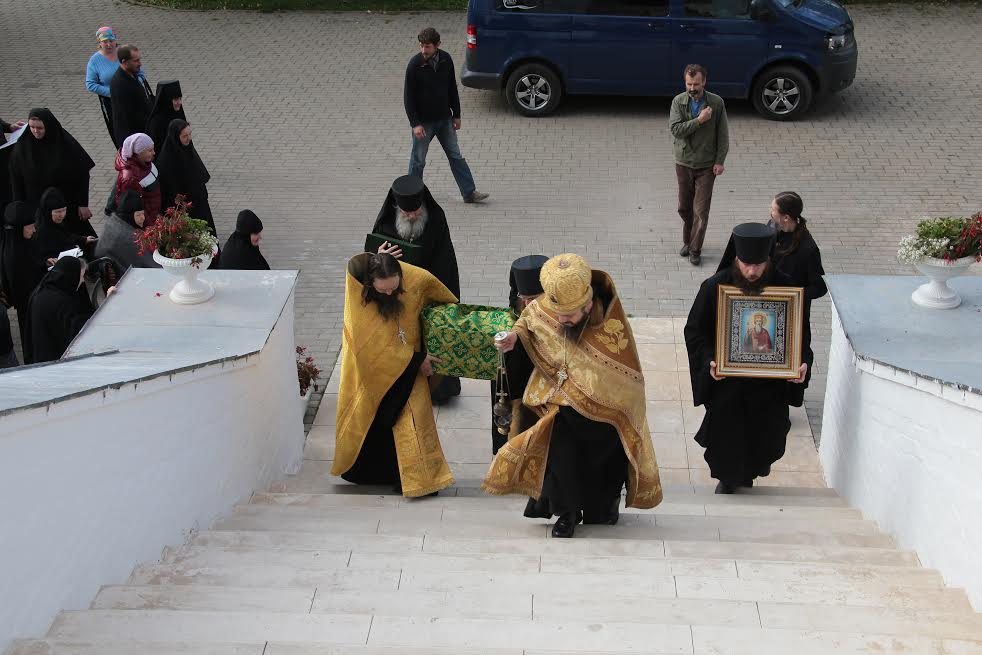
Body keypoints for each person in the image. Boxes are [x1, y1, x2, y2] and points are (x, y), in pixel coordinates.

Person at [487, 254, 663, 538]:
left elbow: (626, 374)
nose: (561, 321)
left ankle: (602, 505)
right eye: (558, 315)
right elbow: (528, 321)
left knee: (607, 456)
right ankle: (567, 513)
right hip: (558, 404)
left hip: (603, 411)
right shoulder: (550, 305)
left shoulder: (609, 321)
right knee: (559, 451)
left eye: (568, 317)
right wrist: (514, 337)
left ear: (587, 305)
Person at [684, 223, 812, 495]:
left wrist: (802, 363)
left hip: (770, 386)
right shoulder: (715, 287)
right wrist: (710, 361)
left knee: (765, 440)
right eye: (746, 265)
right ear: (736, 259)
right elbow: (695, 331)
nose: (752, 271)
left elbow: (801, 336)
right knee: (727, 439)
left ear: (768, 260)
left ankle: (747, 474)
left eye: (759, 265)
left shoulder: (788, 289)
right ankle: (728, 480)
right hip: (730, 385)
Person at [332, 252, 458, 497]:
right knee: (376, 419)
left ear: (401, 276)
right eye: (383, 291)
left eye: (394, 288)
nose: (390, 294)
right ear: (370, 283)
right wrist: (415, 359)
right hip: (374, 370)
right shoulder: (359, 295)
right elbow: (368, 345)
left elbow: (448, 307)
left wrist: (437, 342)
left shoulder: (418, 279)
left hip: (411, 366)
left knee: (414, 419)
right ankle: (376, 473)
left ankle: (420, 480)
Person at [716, 191, 826, 404]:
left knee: (788, 353)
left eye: (773, 209)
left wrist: (792, 295)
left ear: (786, 217)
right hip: (762, 305)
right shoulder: (771, 232)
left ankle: (782, 399)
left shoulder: (807, 249)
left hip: (791, 311)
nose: (769, 212)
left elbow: (819, 286)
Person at [374, 175, 461, 403]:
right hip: (397, 296)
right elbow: (372, 262)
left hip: (428, 293)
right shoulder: (386, 221)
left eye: (416, 211)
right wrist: (380, 258)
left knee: (432, 338)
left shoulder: (436, 219)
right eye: (406, 212)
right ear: (396, 207)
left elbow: (445, 260)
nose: (412, 216)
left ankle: (438, 390)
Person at [405, 27, 488, 204]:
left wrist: (456, 115)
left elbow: (452, 88)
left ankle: (469, 192)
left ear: (437, 45)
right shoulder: (414, 65)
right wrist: (415, 124)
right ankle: (412, 198)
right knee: (418, 160)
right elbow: (408, 98)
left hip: (444, 120)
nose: (423, 50)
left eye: (427, 46)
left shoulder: (446, 60)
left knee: (456, 156)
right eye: (421, 46)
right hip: (424, 123)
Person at [670, 64, 729, 267]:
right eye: (689, 84)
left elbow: (723, 135)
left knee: (701, 210)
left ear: (704, 81)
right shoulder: (678, 102)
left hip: (706, 165)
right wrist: (699, 120)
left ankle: (695, 249)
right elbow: (676, 130)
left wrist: (720, 161)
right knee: (684, 207)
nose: (692, 88)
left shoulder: (716, 103)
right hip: (684, 163)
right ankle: (687, 241)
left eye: (696, 84)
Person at [490, 254, 548, 454]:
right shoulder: (516, 313)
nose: (528, 304)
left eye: (534, 298)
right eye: (524, 299)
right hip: (520, 385)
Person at [8, 109, 97, 238]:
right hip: (36, 206)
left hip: (65, 205)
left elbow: (82, 174)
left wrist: (83, 204)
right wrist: (19, 211)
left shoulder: (64, 143)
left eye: (40, 128)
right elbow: (16, 180)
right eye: (32, 127)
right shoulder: (22, 147)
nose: (35, 131)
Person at [85, 27, 148, 147]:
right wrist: (113, 92)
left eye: (111, 40)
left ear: (115, 40)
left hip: (133, 97)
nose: (109, 44)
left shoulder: (124, 53)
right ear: (99, 43)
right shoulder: (94, 61)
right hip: (112, 102)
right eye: (105, 42)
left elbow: (140, 73)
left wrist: (135, 85)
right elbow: (90, 84)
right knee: (121, 131)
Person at [0, 202, 46, 364]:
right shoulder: (14, 257)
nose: (34, 230)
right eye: (30, 227)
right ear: (19, 229)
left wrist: (45, 262)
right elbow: (22, 284)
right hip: (28, 304)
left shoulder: (18, 241)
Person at [28, 256, 95, 364]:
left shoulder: (42, 290)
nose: (82, 281)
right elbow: (77, 331)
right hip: (55, 358)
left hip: (41, 352)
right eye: (81, 276)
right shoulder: (62, 302)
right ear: (71, 276)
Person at [156, 119, 215, 236]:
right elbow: (169, 188)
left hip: (198, 202)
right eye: (185, 136)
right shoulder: (167, 160)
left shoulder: (188, 149)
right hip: (183, 207)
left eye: (189, 134)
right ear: (175, 137)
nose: (189, 138)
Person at [94, 190, 159, 270]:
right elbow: (152, 265)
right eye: (138, 215)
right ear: (129, 215)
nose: (142, 217)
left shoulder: (113, 221)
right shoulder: (130, 237)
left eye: (143, 213)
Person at [34, 187, 97, 264]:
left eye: (64, 210)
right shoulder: (40, 231)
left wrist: (84, 239)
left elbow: (66, 235)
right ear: (48, 212)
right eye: (58, 212)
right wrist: (46, 260)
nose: (62, 215)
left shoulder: (57, 223)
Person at [109, 45, 153, 147]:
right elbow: (127, 116)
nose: (140, 63)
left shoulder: (131, 73)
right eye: (136, 61)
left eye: (139, 59)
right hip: (134, 139)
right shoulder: (120, 84)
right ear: (124, 62)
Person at [114, 133, 161, 227]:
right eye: (149, 150)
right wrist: (150, 228)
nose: (154, 153)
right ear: (138, 152)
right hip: (148, 222)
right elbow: (136, 210)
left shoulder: (146, 163)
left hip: (154, 214)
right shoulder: (130, 178)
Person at [146, 80, 186, 152]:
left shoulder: (178, 113)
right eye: (176, 99)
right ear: (167, 101)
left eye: (180, 98)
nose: (180, 102)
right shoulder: (156, 122)